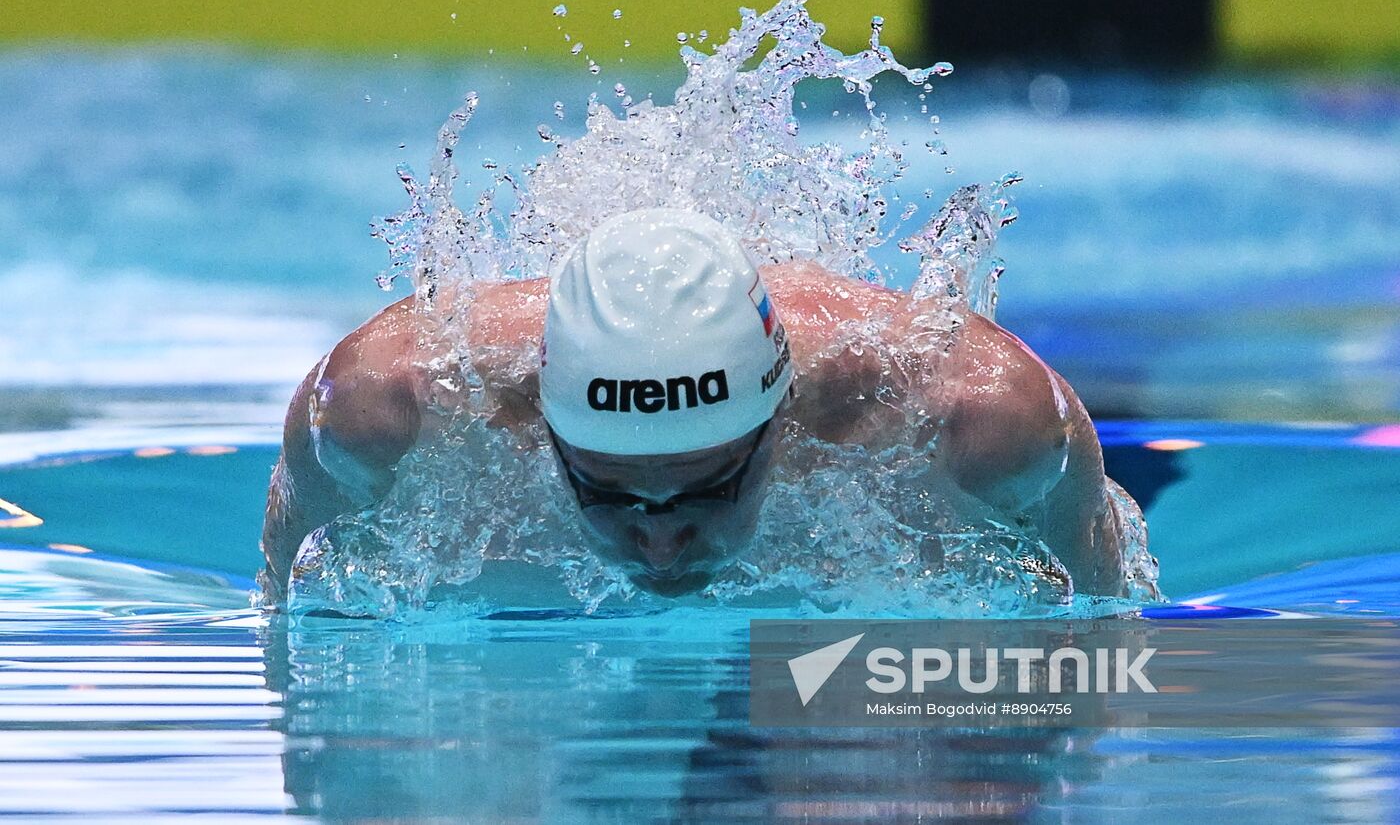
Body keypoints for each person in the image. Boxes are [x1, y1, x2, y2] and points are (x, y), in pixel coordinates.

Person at [262, 208, 1141, 603]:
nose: (658, 545)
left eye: (708, 489)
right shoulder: (379, 411)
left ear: (780, 420)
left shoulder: (985, 420)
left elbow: (1105, 625)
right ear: (544, 428)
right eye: (604, 491)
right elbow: (284, 598)